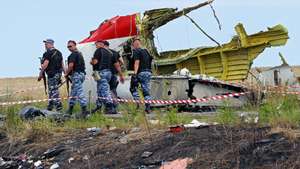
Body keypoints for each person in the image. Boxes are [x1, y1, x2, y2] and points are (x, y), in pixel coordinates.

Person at [90, 40, 124, 114]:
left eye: (96, 44)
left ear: (100, 44)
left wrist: (91, 61)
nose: (95, 46)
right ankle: (98, 106)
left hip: (102, 73)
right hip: (109, 73)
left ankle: (110, 107)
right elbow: (117, 64)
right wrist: (121, 75)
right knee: (100, 90)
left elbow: (95, 62)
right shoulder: (110, 52)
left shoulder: (98, 50)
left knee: (104, 90)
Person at [38, 39, 64, 111]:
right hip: (58, 74)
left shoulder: (47, 53)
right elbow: (62, 64)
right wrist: (65, 73)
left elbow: (45, 64)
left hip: (52, 74)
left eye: (46, 44)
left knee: (53, 90)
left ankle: (59, 107)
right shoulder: (59, 52)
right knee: (51, 90)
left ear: (51, 44)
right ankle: (50, 106)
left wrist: (40, 74)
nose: (45, 46)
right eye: (45, 44)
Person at [65, 40, 89, 117]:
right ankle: (70, 109)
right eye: (68, 46)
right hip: (80, 74)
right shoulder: (79, 54)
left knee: (79, 92)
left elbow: (71, 66)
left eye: (70, 46)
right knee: (73, 92)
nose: (69, 48)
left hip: (77, 74)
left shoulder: (73, 54)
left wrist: (66, 73)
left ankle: (84, 110)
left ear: (75, 45)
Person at [130, 38, 153, 113]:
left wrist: (135, 74)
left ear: (135, 44)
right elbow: (151, 61)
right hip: (148, 72)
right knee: (146, 91)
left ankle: (138, 105)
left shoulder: (137, 51)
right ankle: (148, 107)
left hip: (141, 73)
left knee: (133, 88)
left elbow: (137, 62)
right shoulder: (146, 51)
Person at [104, 41, 124, 110]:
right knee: (113, 90)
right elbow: (122, 62)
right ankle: (115, 106)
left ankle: (108, 107)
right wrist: (116, 68)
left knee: (106, 90)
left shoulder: (103, 53)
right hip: (114, 74)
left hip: (106, 74)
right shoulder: (115, 52)